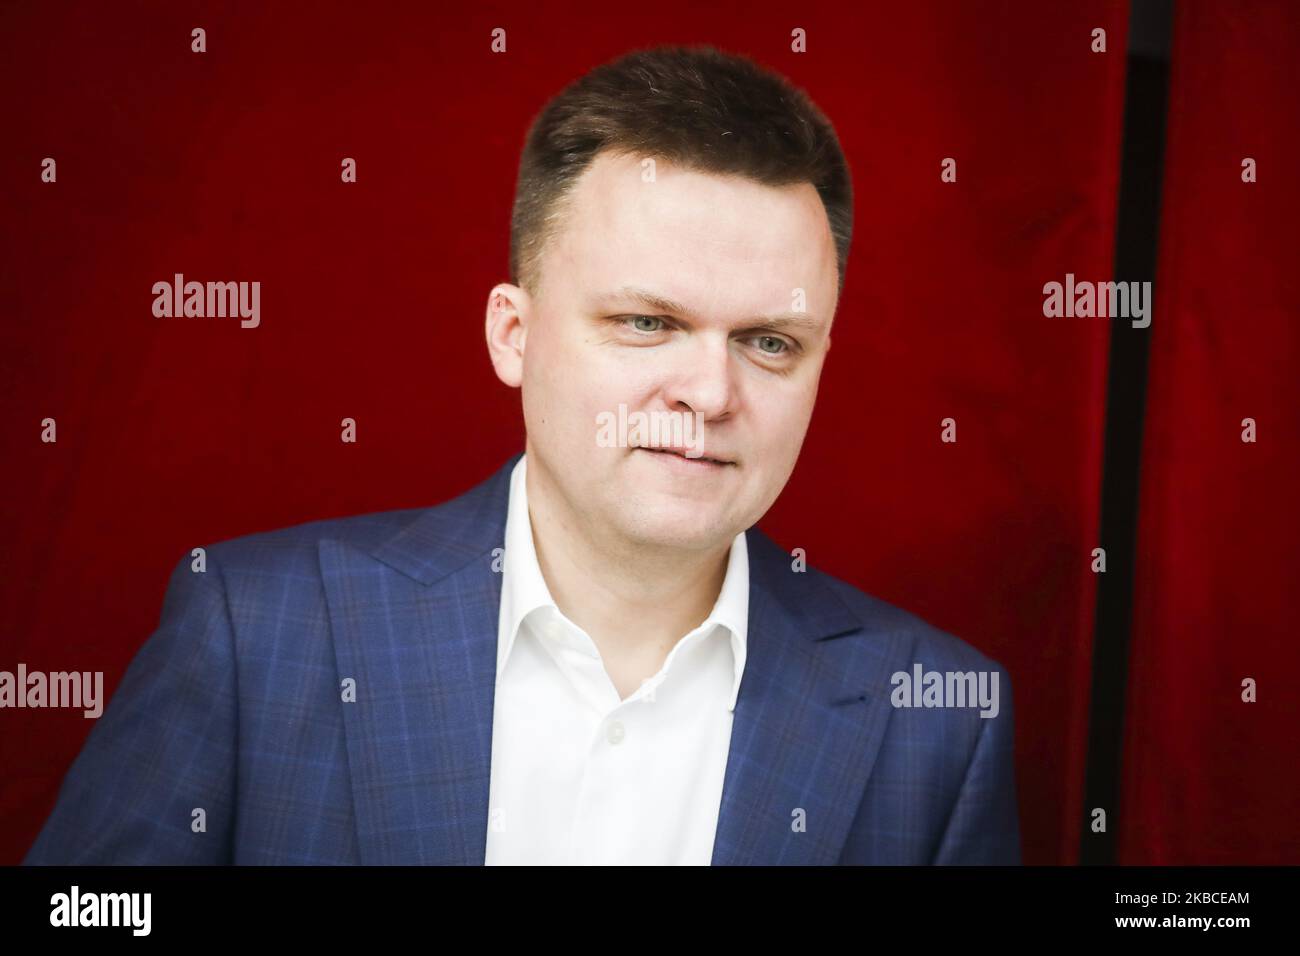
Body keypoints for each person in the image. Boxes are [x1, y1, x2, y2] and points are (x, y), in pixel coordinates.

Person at [24, 44, 1020, 865]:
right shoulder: (256, 635)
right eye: (645, 320)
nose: (711, 394)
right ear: (513, 334)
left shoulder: (933, 724)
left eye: (768, 342)